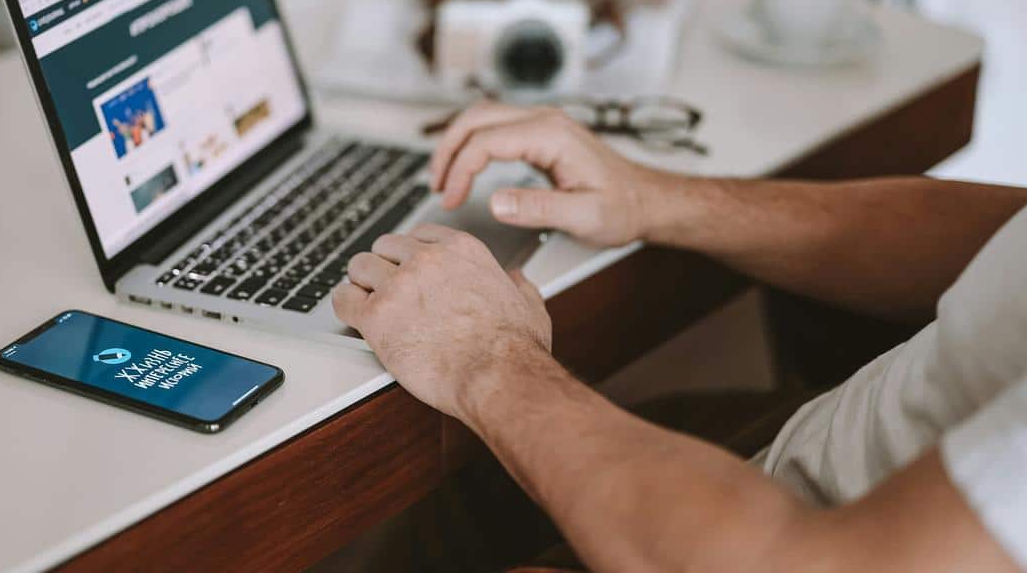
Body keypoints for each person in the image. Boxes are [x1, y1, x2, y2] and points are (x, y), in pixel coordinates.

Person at [332, 101, 1027, 571]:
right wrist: (649, 197)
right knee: (467, 499)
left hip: (769, 541)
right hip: (808, 444)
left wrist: (487, 361)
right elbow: (1004, 233)